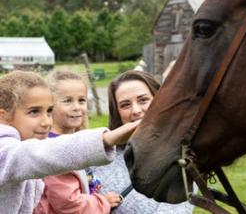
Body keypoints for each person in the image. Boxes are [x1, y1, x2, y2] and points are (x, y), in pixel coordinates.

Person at [0, 70, 139, 214]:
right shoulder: (5, 152)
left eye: (49, 111)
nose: (47, 121)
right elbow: (35, 154)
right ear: (3, 117)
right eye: (34, 111)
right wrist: (107, 139)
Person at [90, 70, 195, 213]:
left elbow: (177, 208)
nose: (136, 110)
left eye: (143, 100)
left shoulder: (182, 156)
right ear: (117, 112)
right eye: (125, 105)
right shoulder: (99, 155)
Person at [34, 70, 121, 214]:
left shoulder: (72, 140)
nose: (77, 107)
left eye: (81, 100)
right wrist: (103, 202)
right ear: (49, 106)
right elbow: (69, 205)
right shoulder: (53, 151)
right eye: (67, 101)